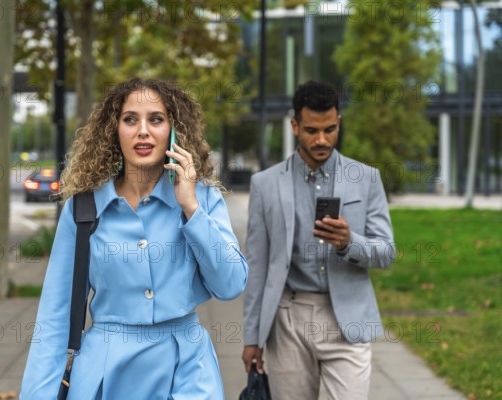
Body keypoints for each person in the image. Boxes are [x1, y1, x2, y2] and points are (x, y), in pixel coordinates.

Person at [20, 78, 248, 399]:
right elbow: (54, 319)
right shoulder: (84, 209)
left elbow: (230, 285)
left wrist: (191, 208)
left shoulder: (202, 199)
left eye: (156, 119)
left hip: (187, 374)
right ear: (114, 130)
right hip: (107, 373)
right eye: (130, 119)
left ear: (174, 130)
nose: (143, 130)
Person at [241, 80, 395, 399]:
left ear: (338, 123)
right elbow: (257, 267)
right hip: (288, 319)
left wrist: (349, 242)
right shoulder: (265, 184)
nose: (322, 140)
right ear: (295, 125)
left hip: (347, 319)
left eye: (330, 129)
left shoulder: (367, 179)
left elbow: (386, 252)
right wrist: (252, 337)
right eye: (312, 130)